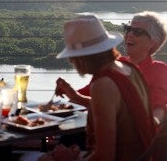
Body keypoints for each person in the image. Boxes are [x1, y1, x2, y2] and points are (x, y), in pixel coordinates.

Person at [20, 15, 156, 161]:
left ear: (85, 56)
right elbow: (119, 110)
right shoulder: (129, 69)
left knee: (28, 157)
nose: (71, 60)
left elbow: (104, 157)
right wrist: (75, 97)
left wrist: (69, 158)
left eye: (73, 56)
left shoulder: (103, 84)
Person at [57, 11, 167, 126]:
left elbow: (158, 108)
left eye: (137, 32)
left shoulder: (159, 70)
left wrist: (150, 125)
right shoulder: (118, 64)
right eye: (128, 29)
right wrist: (67, 95)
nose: (129, 34)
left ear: (152, 42)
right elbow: (90, 92)